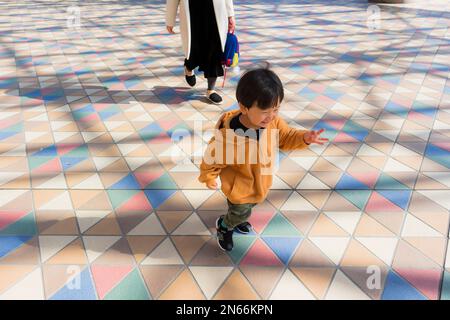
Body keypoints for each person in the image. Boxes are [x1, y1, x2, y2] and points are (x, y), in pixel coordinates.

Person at [198, 66, 329, 251]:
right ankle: (225, 226)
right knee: (240, 211)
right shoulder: (227, 138)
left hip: (260, 181)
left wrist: (304, 138)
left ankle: (236, 219)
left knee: (248, 207)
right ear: (244, 107)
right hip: (239, 187)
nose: (272, 116)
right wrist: (208, 177)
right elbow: (211, 159)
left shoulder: (273, 123)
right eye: (265, 111)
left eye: (276, 109)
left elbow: (286, 137)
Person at [166, 0, 235, 104]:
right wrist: (170, 20)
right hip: (192, 12)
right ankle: (188, 67)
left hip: (215, 13)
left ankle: (211, 90)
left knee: (214, 51)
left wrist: (230, 15)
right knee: (194, 49)